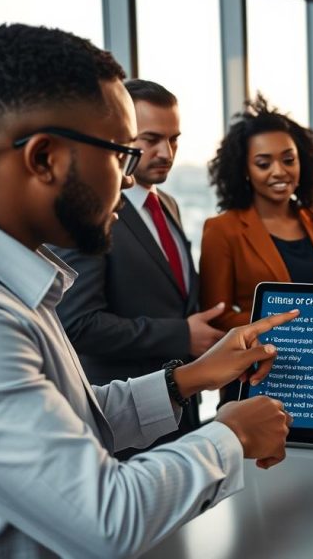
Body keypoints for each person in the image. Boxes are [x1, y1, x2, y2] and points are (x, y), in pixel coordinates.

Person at [0, 24, 295, 558]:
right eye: (121, 155)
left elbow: (69, 416)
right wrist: (232, 435)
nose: (130, 179)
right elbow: (108, 520)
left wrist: (191, 377)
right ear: (45, 158)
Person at [54, 80, 223, 446]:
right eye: (151, 139)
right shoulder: (93, 211)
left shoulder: (169, 206)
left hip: (182, 408)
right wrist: (181, 335)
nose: (166, 152)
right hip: (122, 423)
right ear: (122, 135)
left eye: (174, 139)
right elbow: (78, 323)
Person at [200, 96, 313, 400]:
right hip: (257, 377)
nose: (279, 172)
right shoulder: (222, 229)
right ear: (245, 170)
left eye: (288, 159)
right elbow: (217, 317)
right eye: (263, 163)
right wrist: (293, 328)